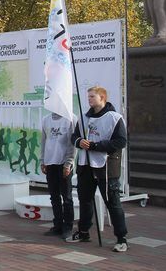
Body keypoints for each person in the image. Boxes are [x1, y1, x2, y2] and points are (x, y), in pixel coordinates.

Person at [67, 86, 129, 253]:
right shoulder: (83, 117)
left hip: (106, 167)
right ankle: (83, 232)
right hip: (85, 165)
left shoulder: (115, 118)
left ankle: (121, 238)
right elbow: (74, 136)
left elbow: (121, 141)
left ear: (102, 97)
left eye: (92, 96)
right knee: (85, 200)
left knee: (112, 202)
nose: (89, 99)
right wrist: (79, 141)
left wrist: (96, 146)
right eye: (88, 97)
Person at [40, 112, 77, 240]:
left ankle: (68, 227)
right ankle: (58, 225)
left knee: (67, 197)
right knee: (54, 196)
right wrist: (42, 160)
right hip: (50, 163)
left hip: (64, 163)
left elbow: (72, 144)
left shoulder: (71, 119)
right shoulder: (46, 119)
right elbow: (43, 141)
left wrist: (69, 163)